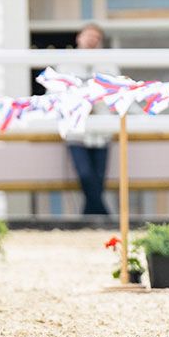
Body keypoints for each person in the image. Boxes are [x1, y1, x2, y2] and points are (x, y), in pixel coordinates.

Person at [55, 24, 120, 217]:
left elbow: (117, 93)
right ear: (79, 37)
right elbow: (56, 94)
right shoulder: (66, 64)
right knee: (84, 174)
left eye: (96, 37)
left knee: (99, 178)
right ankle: (103, 215)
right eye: (88, 36)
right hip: (76, 130)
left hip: (102, 131)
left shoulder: (108, 64)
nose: (92, 40)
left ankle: (90, 217)